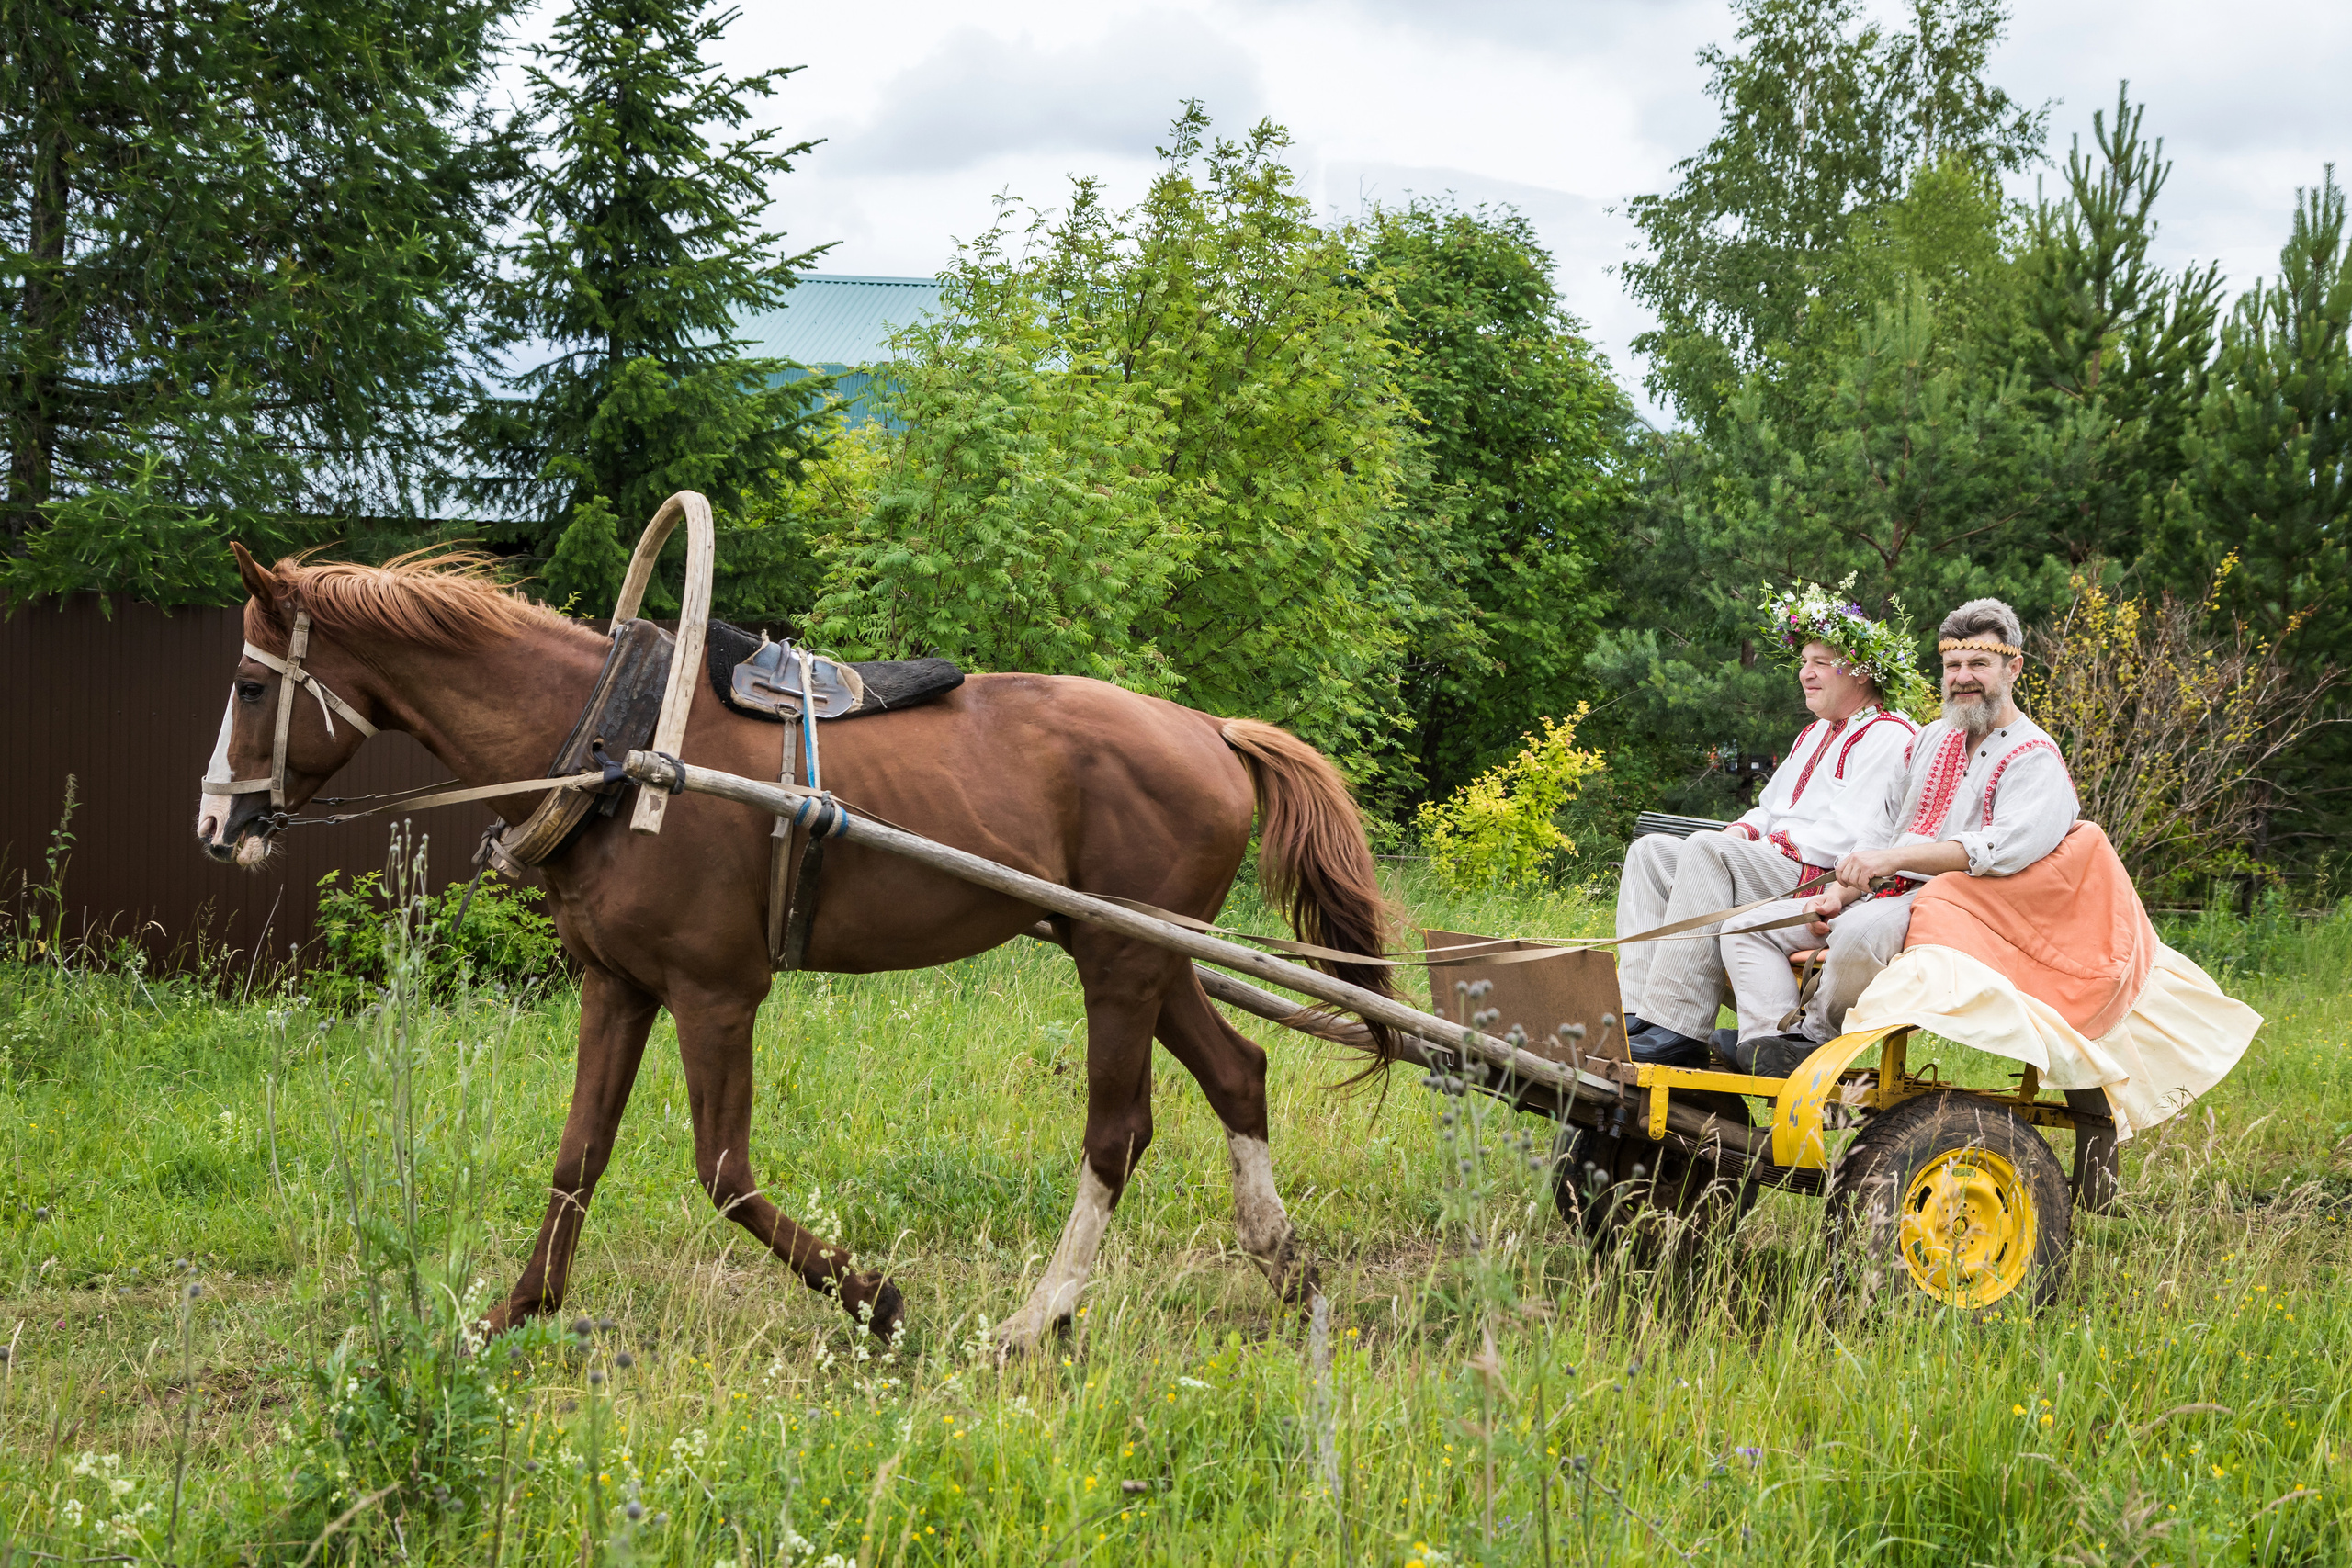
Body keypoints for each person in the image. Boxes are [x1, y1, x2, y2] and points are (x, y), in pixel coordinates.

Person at [1719, 596, 2079, 1076]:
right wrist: (1838, 891)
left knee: (1858, 933)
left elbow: (2002, 850)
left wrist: (1892, 862)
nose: (1963, 677)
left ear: (2013, 668)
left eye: (1979, 664)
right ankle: (1768, 1043)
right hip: (1882, 896)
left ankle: (1814, 1042)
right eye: (1953, 665)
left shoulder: (2035, 755)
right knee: (1743, 930)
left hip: (1962, 908)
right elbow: (1882, 828)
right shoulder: (1930, 738)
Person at [1616, 587, 1926, 1066]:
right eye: (1805, 661)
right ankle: (1637, 1011)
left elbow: (1850, 836)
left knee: (1704, 850)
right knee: (1651, 852)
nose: (1806, 673)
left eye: (1821, 662)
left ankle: (1678, 1027)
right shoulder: (1815, 732)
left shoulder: (1890, 734)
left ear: (1863, 671)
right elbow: (1772, 807)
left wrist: (1765, 842)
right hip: (1775, 862)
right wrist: (1743, 830)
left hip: (1817, 878)